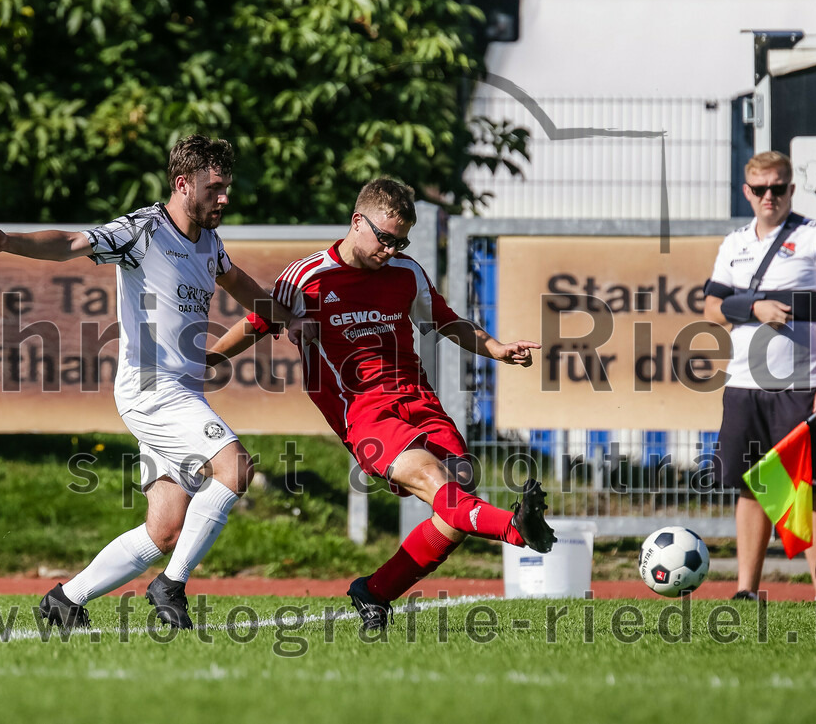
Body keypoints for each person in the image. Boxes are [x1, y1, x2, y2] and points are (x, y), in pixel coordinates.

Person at [0, 135, 307, 629]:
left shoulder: (209, 242)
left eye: (227, 188)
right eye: (214, 188)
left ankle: (65, 600)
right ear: (182, 184)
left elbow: (235, 281)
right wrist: (9, 242)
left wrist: (284, 316)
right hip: (152, 390)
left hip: (180, 391)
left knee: (165, 529)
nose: (224, 198)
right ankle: (170, 586)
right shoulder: (143, 229)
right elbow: (71, 244)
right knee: (234, 469)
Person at [207, 178, 557, 630]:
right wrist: (208, 360)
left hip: (419, 400)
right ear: (358, 222)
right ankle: (516, 528)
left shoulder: (406, 273)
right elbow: (256, 322)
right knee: (436, 483)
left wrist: (497, 348)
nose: (390, 250)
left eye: (400, 242)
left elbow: (447, 321)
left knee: (458, 499)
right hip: (364, 412)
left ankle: (374, 592)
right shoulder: (307, 277)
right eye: (385, 238)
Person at [703, 150, 816, 602]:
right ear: (747, 192)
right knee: (751, 487)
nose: (769, 196)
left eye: (777, 188)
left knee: (805, 488)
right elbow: (712, 310)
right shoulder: (733, 243)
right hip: (744, 385)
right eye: (760, 188)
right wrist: (754, 308)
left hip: (801, 386)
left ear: (791, 189)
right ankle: (746, 590)